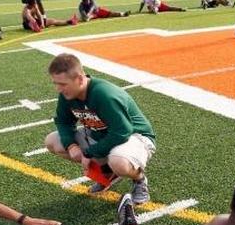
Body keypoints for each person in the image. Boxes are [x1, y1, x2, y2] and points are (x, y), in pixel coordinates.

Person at [43, 53, 156, 204]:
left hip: (135, 136)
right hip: (102, 134)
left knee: (119, 162)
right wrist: (71, 146)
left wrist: (89, 153)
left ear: (80, 79)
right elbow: (63, 122)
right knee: (52, 141)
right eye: (55, 83)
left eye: (62, 84)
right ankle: (108, 173)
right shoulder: (68, 95)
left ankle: (139, 179)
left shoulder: (104, 94)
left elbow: (121, 132)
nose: (58, 89)